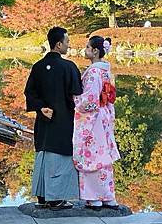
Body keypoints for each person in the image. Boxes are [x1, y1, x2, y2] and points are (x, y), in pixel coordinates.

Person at [25, 26, 82, 209]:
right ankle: (56, 197)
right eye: (67, 41)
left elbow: (29, 93)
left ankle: (42, 196)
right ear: (58, 44)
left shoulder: (38, 66)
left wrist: (41, 107)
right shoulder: (69, 67)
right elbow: (77, 95)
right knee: (60, 157)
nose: (69, 44)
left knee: (43, 154)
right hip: (63, 121)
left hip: (43, 122)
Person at [73, 36, 121, 209]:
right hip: (104, 114)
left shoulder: (94, 72)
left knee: (92, 155)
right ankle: (108, 196)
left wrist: (74, 99)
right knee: (103, 156)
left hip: (94, 118)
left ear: (95, 51)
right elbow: (108, 97)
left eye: (87, 47)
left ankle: (94, 197)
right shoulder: (106, 70)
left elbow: (90, 99)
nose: (85, 50)